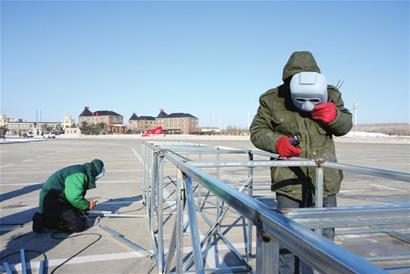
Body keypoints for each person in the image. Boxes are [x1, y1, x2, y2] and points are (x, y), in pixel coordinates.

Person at [250, 51, 352, 274]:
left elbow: (346, 125)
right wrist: (278, 142)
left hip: (325, 182)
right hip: (289, 184)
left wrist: (334, 116)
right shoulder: (272, 99)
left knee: (325, 240)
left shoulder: (331, 94)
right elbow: (257, 131)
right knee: (287, 243)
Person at [32, 159, 105, 233]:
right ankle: (41, 220)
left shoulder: (82, 171)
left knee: (78, 215)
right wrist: (87, 205)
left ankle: (56, 219)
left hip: (59, 199)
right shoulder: (79, 175)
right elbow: (73, 197)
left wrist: (82, 208)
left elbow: (74, 194)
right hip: (52, 201)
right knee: (79, 225)